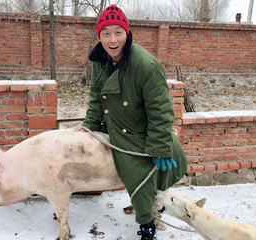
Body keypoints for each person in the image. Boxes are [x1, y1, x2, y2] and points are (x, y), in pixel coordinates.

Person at [80, 4, 188, 240]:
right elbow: (97, 97)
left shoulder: (145, 64)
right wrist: (89, 126)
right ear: (99, 36)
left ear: (127, 33)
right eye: (106, 33)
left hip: (141, 129)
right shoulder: (100, 60)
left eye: (118, 32)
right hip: (115, 126)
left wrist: (159, 146)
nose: (112, 39)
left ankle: (147, 223)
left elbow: (160, 110)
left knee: (138, 175)